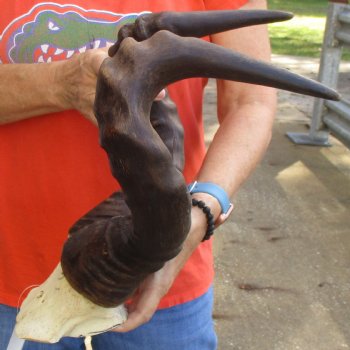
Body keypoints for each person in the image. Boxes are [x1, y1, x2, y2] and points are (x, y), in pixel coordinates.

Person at [0, 0, 276, 349]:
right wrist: (62, 83)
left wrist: (202, 211)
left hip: (166, 273)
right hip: (14, 276)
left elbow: (250, 104)